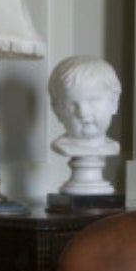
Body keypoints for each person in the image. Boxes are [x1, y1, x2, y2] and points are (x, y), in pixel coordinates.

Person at [49, 55, 121, 203]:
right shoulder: (62, 146)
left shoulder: (112, 146)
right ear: (57, 109)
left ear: (114, 102)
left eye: (93, 100)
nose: (82, 113)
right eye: (72, 104)